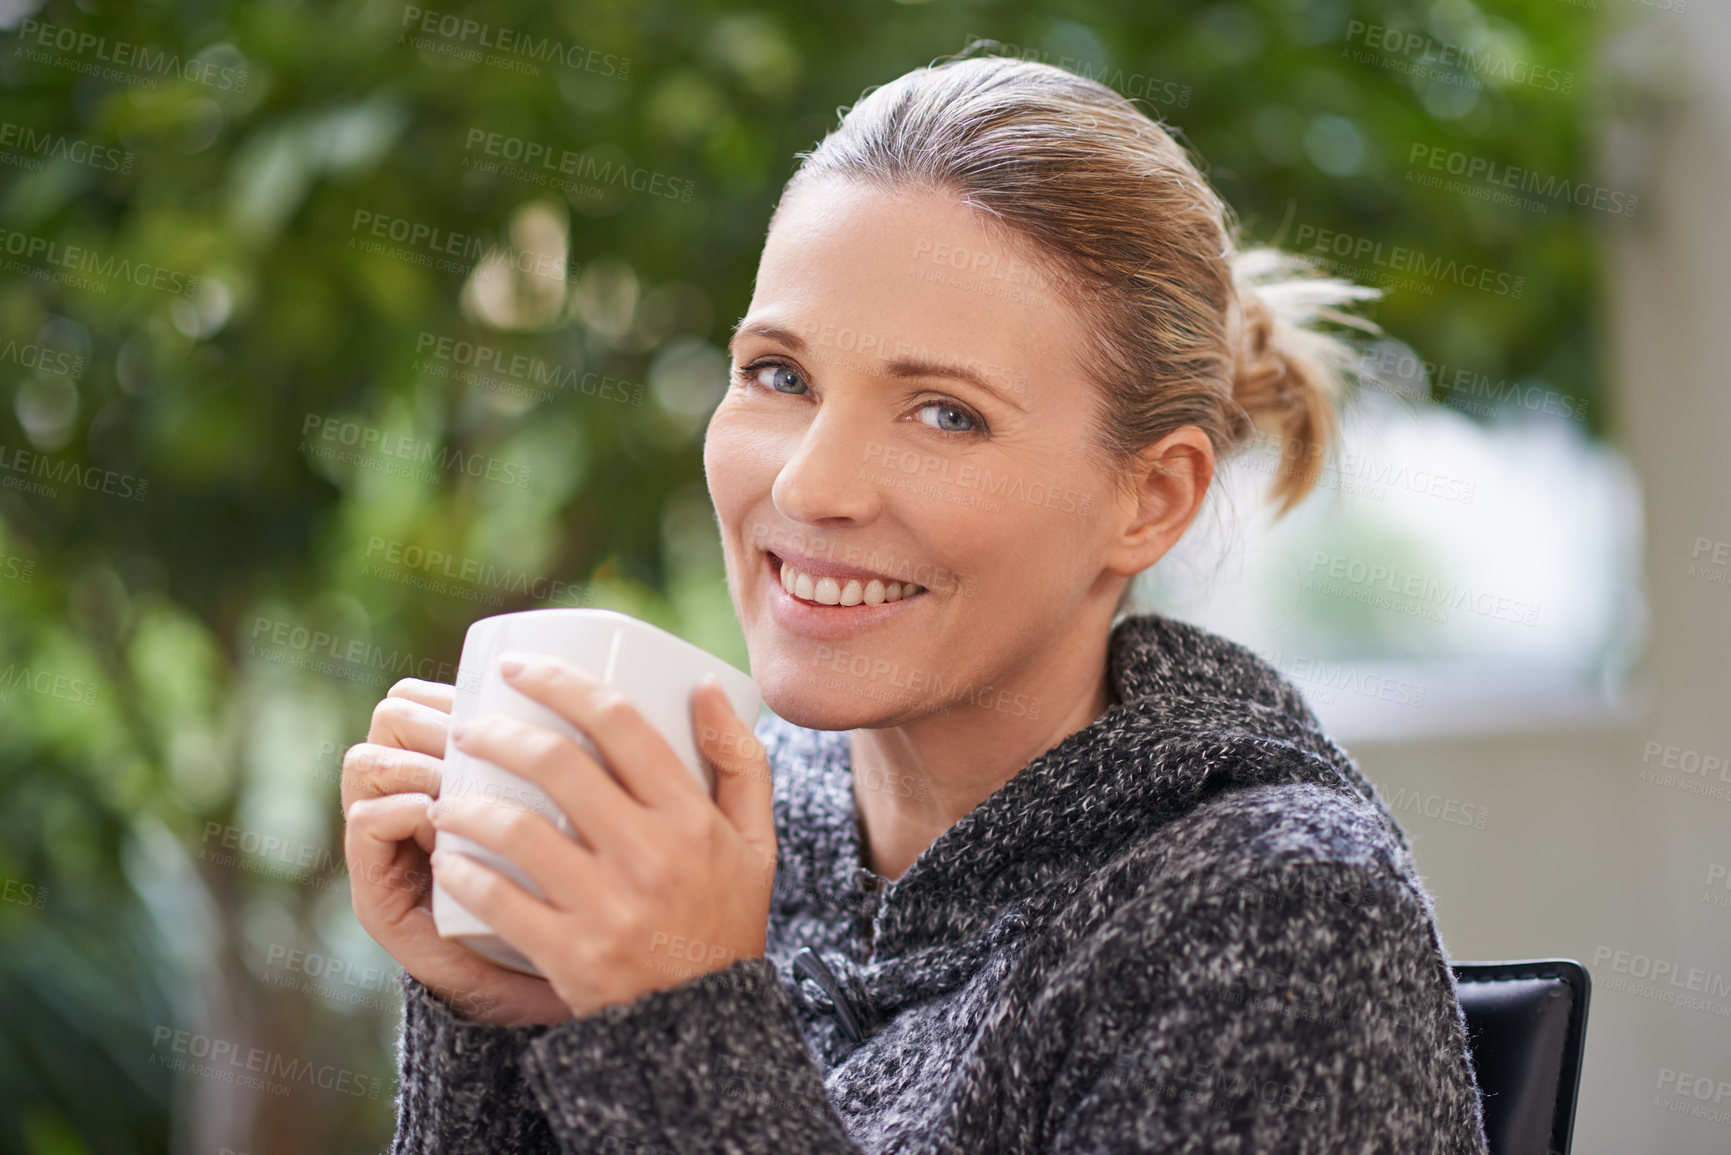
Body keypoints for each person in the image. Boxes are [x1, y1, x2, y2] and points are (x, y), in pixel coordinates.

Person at [343, 52, 1491, 1153]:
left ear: (1151, 498)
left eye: (945, 412)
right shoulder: (719, 828)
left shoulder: (1280, 918)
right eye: (779, 377)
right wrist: (499, 1009)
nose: (808, 486)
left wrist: (679, 1028)